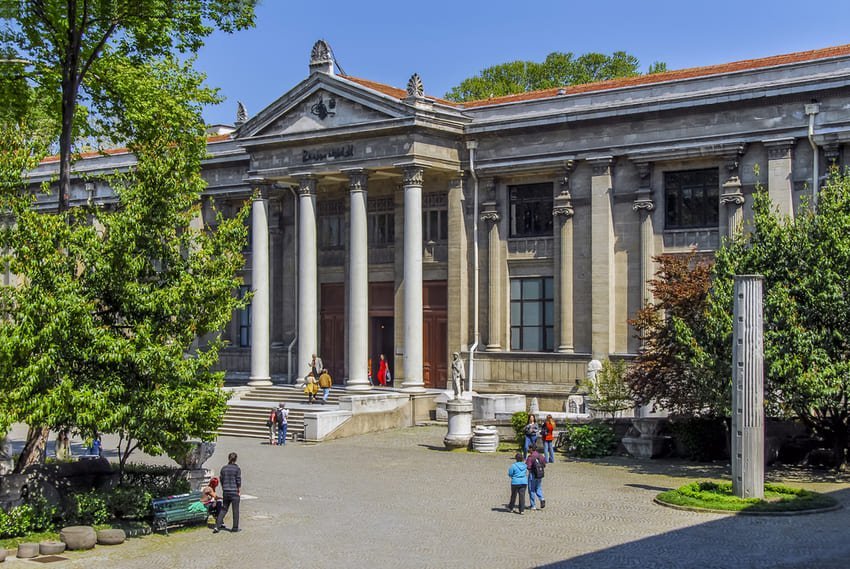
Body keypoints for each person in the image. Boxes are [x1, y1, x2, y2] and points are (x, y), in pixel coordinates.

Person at [214, 452, 241, 533]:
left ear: (228, 458)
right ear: (236, 459)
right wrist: (238, 490)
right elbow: (238, 480)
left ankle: (217, 526)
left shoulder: (224, 468)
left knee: (224, 509)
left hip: (226, 491)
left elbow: (221, 479)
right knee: (235, 510)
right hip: (234, 491)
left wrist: (223, 488)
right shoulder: (237, 469)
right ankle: (235, 528)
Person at [525, 443, 546, 510]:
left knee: (531, 490)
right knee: (538, 488)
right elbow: (544, 464)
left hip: (532, 475)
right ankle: (542, 498)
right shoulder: (540, 456)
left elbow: (528, 467)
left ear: (531, 449)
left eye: (529, 448)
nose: (528, 449)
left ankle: (533, 505)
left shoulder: (530, 457)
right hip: (539, 475)